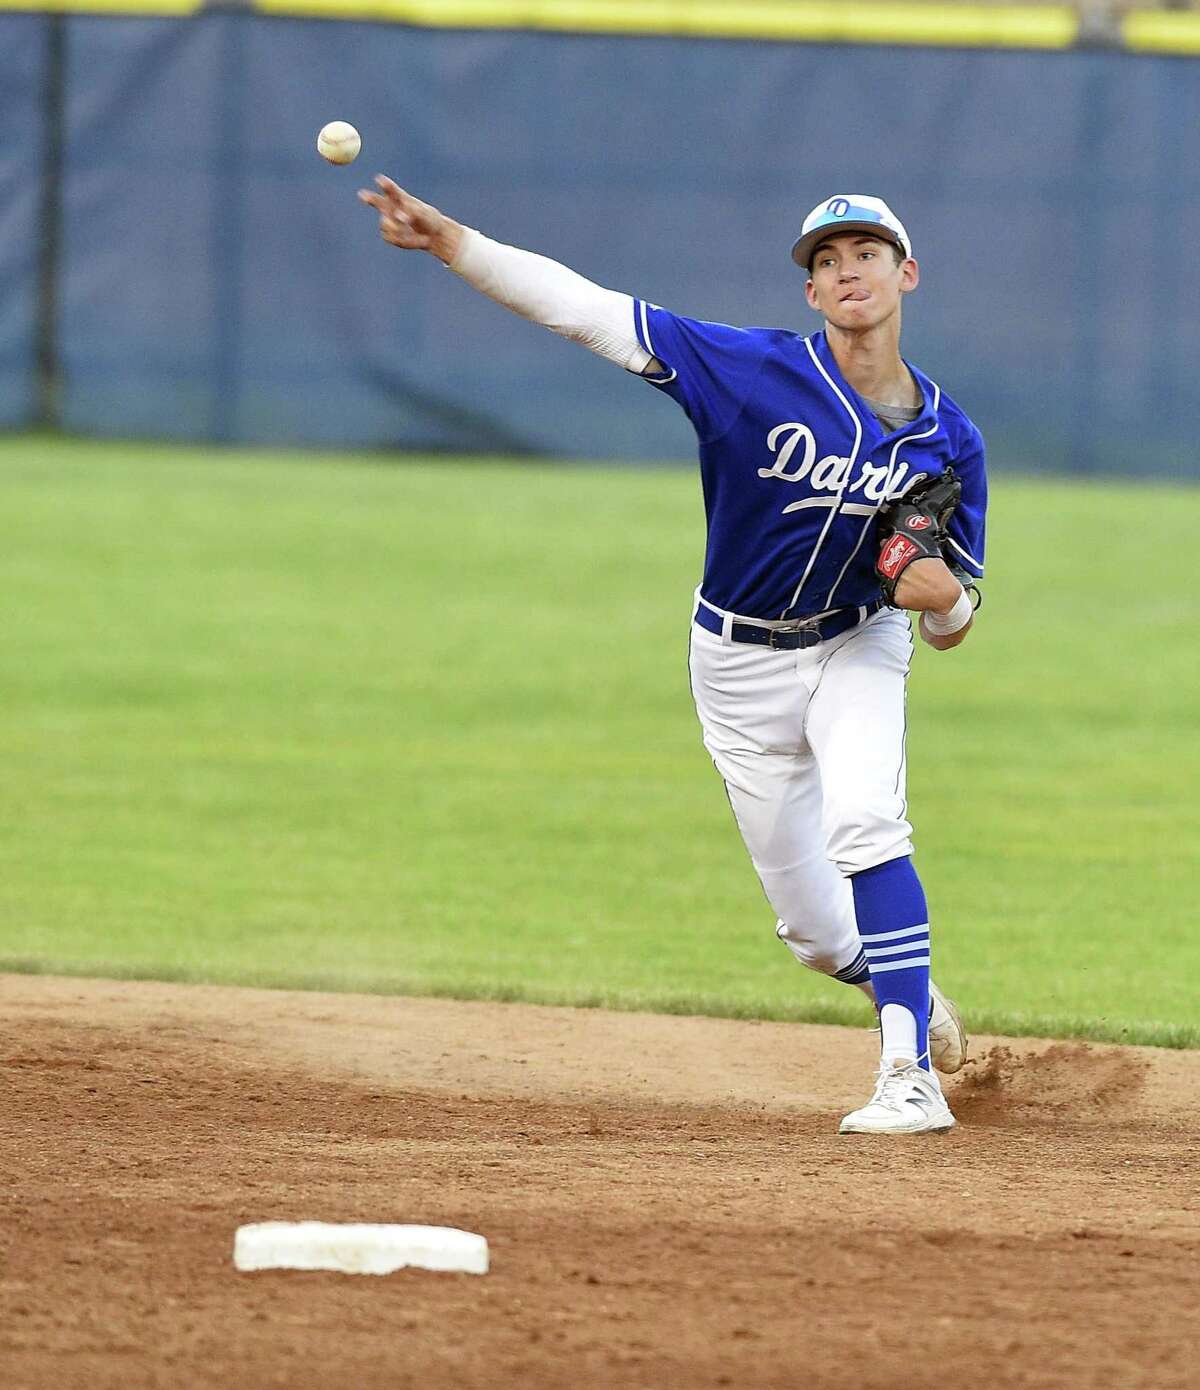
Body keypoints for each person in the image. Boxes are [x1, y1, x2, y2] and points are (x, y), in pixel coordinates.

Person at [358, 179, 986, 1135]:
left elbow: (952, 613)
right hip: (734, 664)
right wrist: (454, 243)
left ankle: (907, 1071)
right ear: (811, 295)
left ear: (907, 273)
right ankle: (911, 992)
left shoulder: (952, 439)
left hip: (857, 644)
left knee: (868, 821)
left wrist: (946, 608)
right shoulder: (746, 370)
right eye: (826, 260)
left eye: (865, 253)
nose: (846, 270)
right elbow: (585, 312)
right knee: (818, 938)